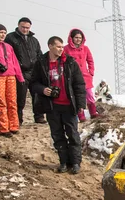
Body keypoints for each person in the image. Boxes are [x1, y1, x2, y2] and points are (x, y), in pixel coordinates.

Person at [31, 36, 86, 174]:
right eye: (58, 46)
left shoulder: (70, 62)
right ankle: (63, 162)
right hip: (52, 106)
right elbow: (33, 83)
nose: (61, 49)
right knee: (57, 135)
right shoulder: (41, 63)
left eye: (62, 47)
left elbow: (79, 84)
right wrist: (43, 89)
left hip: (69, 105)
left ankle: (75, 162)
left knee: (73, 134)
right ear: (50, 46)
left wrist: (80, 104)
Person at [4, 17, 45, 124]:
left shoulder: (34, 40)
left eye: (27, 27)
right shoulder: (10, 38)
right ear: (18, 26)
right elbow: (7, 55)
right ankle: (18, 118)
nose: (25, 29)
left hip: (34, 72)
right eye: (23, 27)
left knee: (37, 95)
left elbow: (39, 54)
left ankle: (39, 117)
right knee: (20, 96)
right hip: (20, 72)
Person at [0, 24, 24, 137]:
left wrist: (20, 77)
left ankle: (13, 126)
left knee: (12, 101)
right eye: (1, 32)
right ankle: (3, 128)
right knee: (1, 102)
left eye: (4, 32)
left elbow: (15, 62)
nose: (3, 35)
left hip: (11, 76)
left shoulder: (9, 47)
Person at [63, 28, 96, 122]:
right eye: (76, 37)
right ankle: (81, 115)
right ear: (71, 38)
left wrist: (91, 72)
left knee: (89, 94)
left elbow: (90, 60)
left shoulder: (85, 48)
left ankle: (93, 113)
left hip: (85, 75)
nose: (78, 39)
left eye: (80, 38)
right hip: (73, 76)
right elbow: (63, 61)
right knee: (77, 95)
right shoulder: (66, 49)